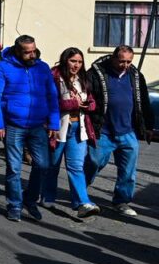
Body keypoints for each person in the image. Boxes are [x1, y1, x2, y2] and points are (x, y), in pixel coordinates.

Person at [0, 35, 60, 222]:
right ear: (17, 51)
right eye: (28, 52)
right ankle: (14, 205)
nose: (32, 55)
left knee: (43, 165)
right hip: (13, 125)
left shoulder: (42, 68)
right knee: (14, 168)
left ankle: (30, 199)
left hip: (38, 125)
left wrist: (54, 122)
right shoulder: (2, 68)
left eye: (34, 50)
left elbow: (52, 96)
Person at [85, 45, 154, 216]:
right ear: (113, 58)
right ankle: (80, 191)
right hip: (103, 131)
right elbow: (87, 97)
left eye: (129, 62)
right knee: (94, 163)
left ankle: (121, 201)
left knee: (128, 171)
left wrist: (148, 126)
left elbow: (144, 102)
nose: (125, 65)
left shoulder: (136, 76)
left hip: (128, 132)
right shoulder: (96, 74)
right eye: (122, 61)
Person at [46, 48, 101, 218]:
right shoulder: (54, 76)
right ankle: (47, 197)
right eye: (73, 61)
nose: (76, 65)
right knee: (52, 166)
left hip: (79, 128)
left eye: (79, 62)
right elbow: (50, 102)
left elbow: (91, 100)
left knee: (76, 167)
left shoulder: (82, 78)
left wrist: (89, 105)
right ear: (65, 60)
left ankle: (82, 203)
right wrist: (73, 104)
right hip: (58, 128)